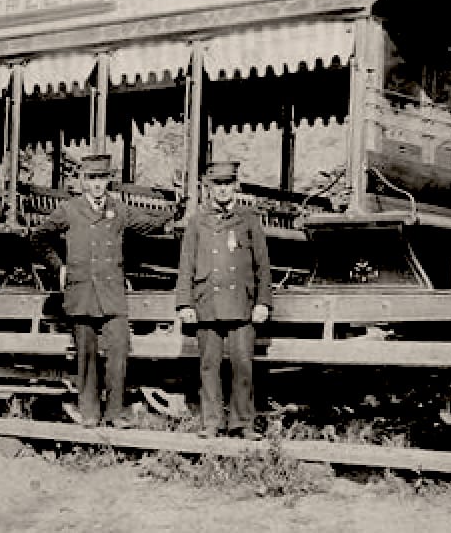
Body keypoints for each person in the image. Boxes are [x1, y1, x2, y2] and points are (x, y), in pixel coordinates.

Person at [30, 154, 178, 428]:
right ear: (83, 181)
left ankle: (115, 413)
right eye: (92, 179)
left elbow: (148, 224)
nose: (98, 185)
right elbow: (39, 237)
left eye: (102, 178)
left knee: (119, 350)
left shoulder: (118, 209)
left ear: (108, 180)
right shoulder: (69, 210)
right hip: (82, 292)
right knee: (86, 355)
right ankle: (89, 413)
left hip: (111, 294)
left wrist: (176, 211)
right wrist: (59, 268)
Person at [175, 160, 272, 440]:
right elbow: (186, 265)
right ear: (208, 188)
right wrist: (185, 303)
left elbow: (263, 266)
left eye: (227, 184)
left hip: (241, 303)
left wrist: (263, 302)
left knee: (243, 365)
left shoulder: (249, 219)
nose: (222, 190)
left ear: (236, 186)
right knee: (209, 366)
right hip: (208, 302)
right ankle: (211, 422)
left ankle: (243, 423)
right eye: (217, 184)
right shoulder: (197, 221)